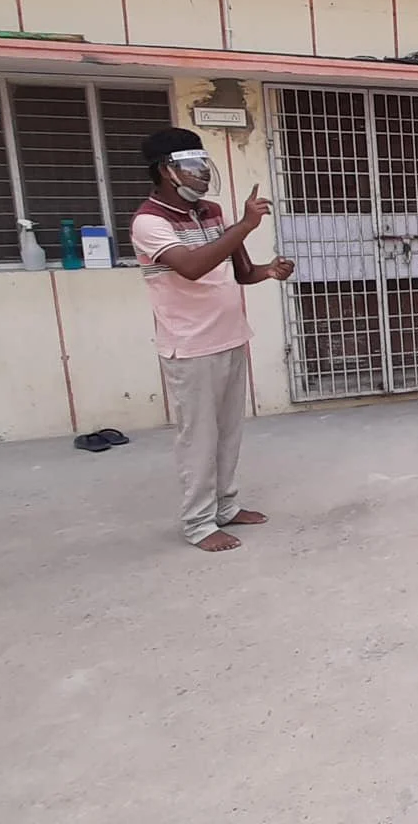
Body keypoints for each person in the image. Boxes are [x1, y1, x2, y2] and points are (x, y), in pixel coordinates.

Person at [132, 128, 294, 553]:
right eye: (192, 167)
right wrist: (244, 225)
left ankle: (225, 506)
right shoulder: (150, 221)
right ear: (166, 171)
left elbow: (240, 271)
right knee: (198, 438)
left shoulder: (212, 212)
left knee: (227, 433)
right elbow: (192, 267)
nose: (202, 175)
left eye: (204, 166)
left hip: (229, 337)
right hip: (189, 347)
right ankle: (199, 523)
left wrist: (269, 270)